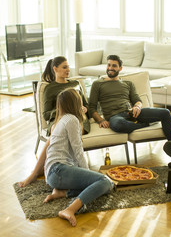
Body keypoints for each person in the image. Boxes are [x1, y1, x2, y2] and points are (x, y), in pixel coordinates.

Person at [19, 88, 113, 227]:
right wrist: (89, 173)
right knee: (104, 181)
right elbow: (78, 151)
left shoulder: (62, 119)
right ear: (76, 103)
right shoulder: (72, 120)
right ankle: (69, 209)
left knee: (106, 186)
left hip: (53, 174)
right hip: (59, 170)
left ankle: (62, 193)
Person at [88, 54, 171, 140]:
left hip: (132, 113)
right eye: (109, 65)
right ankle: (143, 124)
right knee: (118, 125)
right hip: (114, 117)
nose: (110, 68)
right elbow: (91, 107)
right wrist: (101, 120)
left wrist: (137, 106)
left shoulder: (128, 83)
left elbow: (137, 100)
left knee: (165, 112)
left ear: (120, 68)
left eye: (114, 66)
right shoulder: (97, 84)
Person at [42, 56, 90, 135]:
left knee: (74, 131)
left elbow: (86, 105)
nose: (68, 70)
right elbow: (46, 115)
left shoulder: (76, 84)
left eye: (68, 67)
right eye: (64, 67)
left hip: (79, 117)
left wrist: (85, 109)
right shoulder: (50, 88)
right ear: (55, 69)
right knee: (59, 131)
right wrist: (64, 109)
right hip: (58, 118)